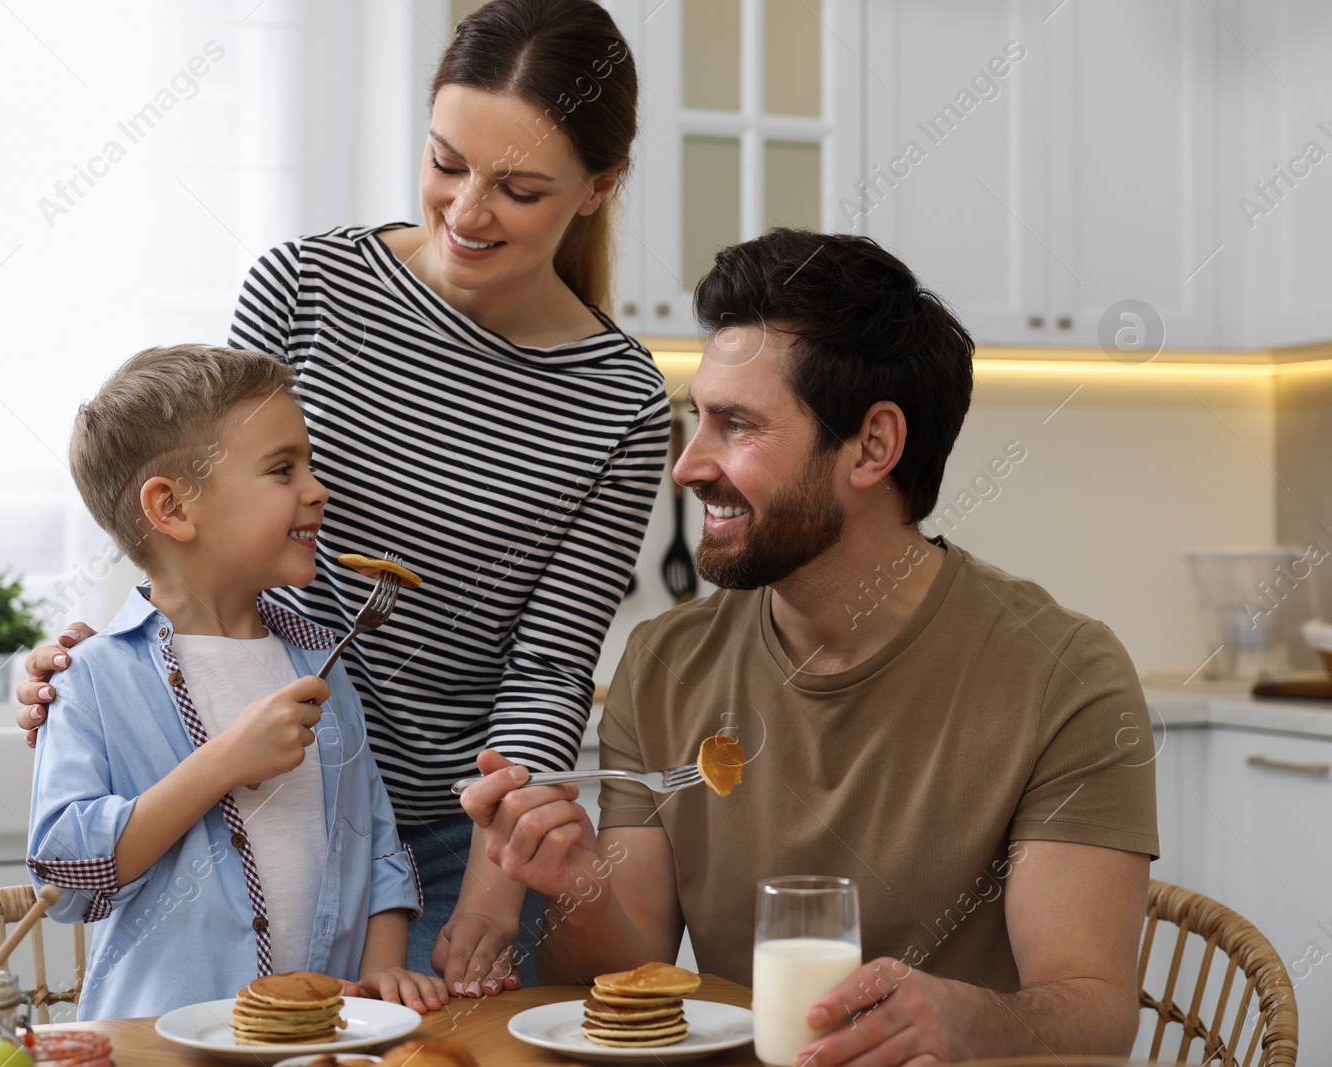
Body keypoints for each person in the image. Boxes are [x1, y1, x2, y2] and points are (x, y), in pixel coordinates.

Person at [17, 0, 666, 997]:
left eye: (519, 187)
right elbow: (199, 488)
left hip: (464, 843)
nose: (466, 210)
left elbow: (547, 667)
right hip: (262, 796)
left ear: (599, 185)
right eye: (446, 160)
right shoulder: (307, 285)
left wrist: (492, 898)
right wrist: (108, 672)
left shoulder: (619, 398)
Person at [461, 229, 1159, 1064]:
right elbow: (623, 974)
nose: (687, 466)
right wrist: (574, 885)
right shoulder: (664, 663)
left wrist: (965, 1019)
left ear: (872, 446)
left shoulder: (1064, 677)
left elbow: (1095, 1012)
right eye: (697, 419)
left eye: (736, 425)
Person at [27, 345, 447, 1020]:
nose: (318, 488)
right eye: (283, 469)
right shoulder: (91, 679)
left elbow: (378, 847)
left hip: (319, 1039)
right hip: (156, 1049)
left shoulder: (324, 666)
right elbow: (67, 874)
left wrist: (383, 976)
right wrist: (223, 761)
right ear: (172, 508)